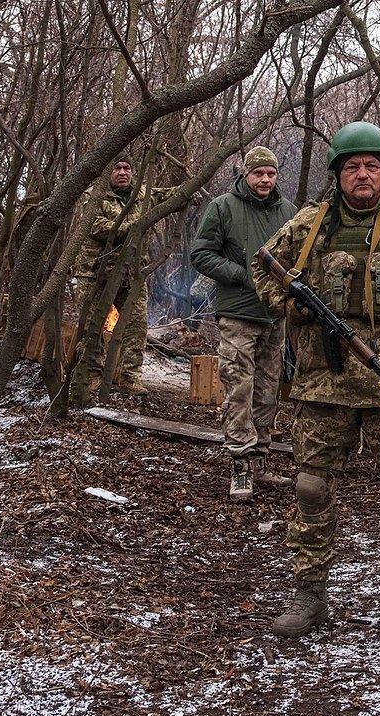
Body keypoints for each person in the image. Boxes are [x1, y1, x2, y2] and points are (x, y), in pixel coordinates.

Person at [251, 122, 380, 637]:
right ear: (338, 175)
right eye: (352, 167)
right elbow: (263, 271)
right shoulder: (309, 226)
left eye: (371, 166)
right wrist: (296, 309)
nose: (361, 175)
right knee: (311, 488)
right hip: (324, 386)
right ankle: (309, 594)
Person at [191, 146, 298, 501]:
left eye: (270, 174)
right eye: (258, 174)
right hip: (237, 312)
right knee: (239, 389)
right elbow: (201, 253)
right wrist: (243, 275)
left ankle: (260, 462)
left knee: (268, 390)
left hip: (274, 315)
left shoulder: (289, 212)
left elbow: (301, 256)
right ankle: (240, 465)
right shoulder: (223, 207)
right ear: (246, 174)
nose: (265, 180)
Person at [72, 158, 178, 395]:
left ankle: (130, 378)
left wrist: (192, 189)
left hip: (131, 274)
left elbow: (170, 194)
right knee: (93, 328)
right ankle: (92, 377)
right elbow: (95, 226)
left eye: (127, 168)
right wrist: (133, 227)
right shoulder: (95, 196)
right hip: (95, 274)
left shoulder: (143, 195)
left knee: (136, 325)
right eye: (117, 168)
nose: (122, 172)